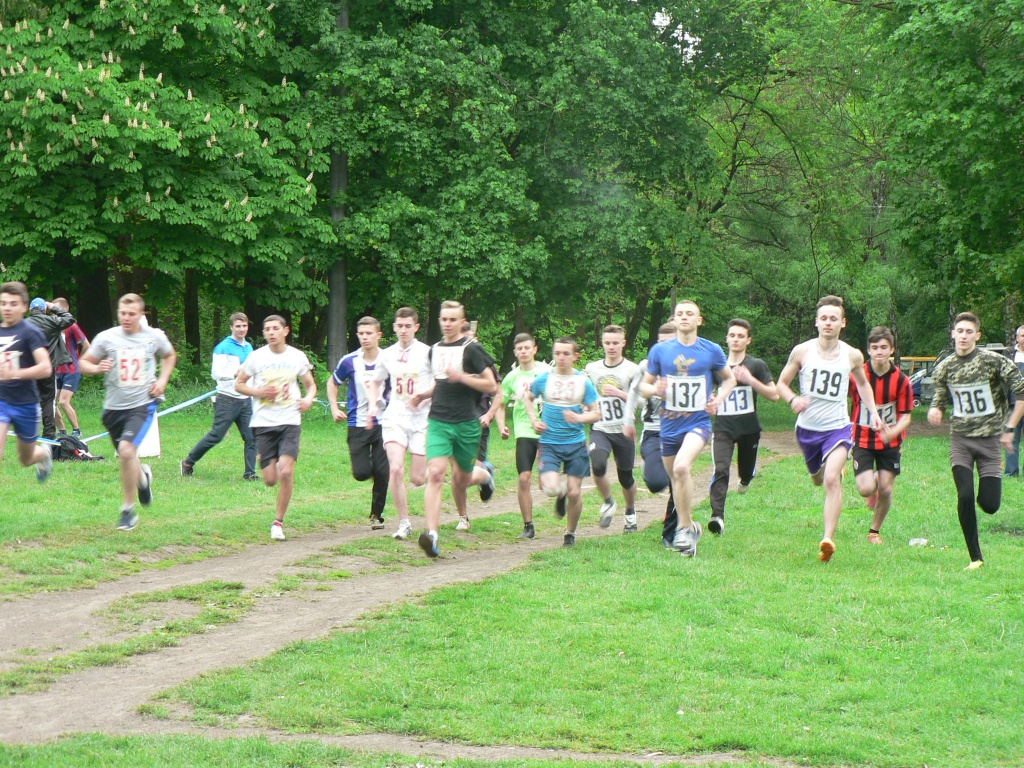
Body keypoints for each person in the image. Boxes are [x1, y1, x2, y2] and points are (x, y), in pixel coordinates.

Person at [775, 295, 881, 563]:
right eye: (823, 318)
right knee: (818, 478)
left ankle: (827, 539)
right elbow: (781, 384)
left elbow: (863, 384)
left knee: (832, 480)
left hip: (838, 428)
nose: (828, 323)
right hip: (807, 430)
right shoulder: (802, 351)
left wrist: (873, 412)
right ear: (816, 322)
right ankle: (826, 469)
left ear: (843, 323)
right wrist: (793, 399)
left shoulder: (852, 355)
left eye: (834, 318)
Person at [928, 312, 1024, 569]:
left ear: (977, 336)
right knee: (965, 494)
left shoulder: (994, 361)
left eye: (969, 332)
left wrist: (1010, 426)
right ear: (953, 334)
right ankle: (975, 557)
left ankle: (988, 495)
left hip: (990, 441)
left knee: (990, 505)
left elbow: (1021, 391)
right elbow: (940, 396)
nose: (963, 336)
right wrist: (936, 409)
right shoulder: (945, 367)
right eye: (959, 331)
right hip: (961, 440)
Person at [640, 301, 734, 557]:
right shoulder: (660, 351)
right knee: (675, 480)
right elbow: (644, 386)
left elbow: (729, 379)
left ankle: (682, 529)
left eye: (689, 314)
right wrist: (655, 389)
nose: (684, 317)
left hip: (698, 424)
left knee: (682, 468)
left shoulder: (711, 350)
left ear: (698, 320)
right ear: (674, 319)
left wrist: (718, 399)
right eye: (679, 313)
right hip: (669, 425)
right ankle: (691, 528)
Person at [79, 293, 177, 531]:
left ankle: (127, 510)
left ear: (141, 314)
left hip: (143, 403)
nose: (127, 318)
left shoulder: (153, 336)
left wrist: (162, 380)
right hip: (113, 408)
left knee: (125, 450)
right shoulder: (107, 338)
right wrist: (96, 368)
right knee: (128, 456)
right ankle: (143, 479)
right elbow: (83, 363)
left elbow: (169, 355)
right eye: (122, 313)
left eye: (132, 314)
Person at [409, 301, 497, 558]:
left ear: (462, 322)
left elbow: (491, 384)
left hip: (467, 424)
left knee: (462, 479)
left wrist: (462, 377)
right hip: (439, 422)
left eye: (452, 319)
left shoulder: (472, 349)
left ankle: (485, 475)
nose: (447, 324)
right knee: (435, 474)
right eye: (444, 319)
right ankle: (432, 535)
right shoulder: (434, 350)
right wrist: (423, 395)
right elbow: (441, 383)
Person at [234, 315, 316, 541]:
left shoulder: (296, 356)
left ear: (285, 331)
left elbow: (310, 385)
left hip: (290, 420)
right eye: (267, 329)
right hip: (264, 423)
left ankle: (278, 522)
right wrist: (259, 392)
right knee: (270, 479)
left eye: (275, 328)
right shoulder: (256, 357)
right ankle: (271, 462)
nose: (271, 332)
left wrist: (308, 399)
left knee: (287, 472)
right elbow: (239, 384)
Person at [525, 337, 600, 546]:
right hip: (549, 443)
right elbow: (528, 398)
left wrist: (579, 418)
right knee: (550, 489)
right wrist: (534, 420)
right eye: (557, 353)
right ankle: (561, 492)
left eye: (566, 354)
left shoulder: (582, 382)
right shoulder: (544, 378)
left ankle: (570, 534)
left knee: (575, 492)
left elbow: (596, 413)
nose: (561, 357)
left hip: (575, 443)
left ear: (575, 356)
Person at [707, 319, 779, 535]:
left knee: (744, 473)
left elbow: (774, 395)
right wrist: (710, 398)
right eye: (732, 335)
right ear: (727, 339)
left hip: (749, 429)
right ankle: (717, 517)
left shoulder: (756, 365)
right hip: (723, 428)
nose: (736, 339)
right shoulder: (718, 367)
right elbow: (708, 391)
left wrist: (750, 380)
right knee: (721, 469)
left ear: (748, 340)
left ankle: (747, 476)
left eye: (741, 336)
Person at [367, 307, 432, 540]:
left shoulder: (427, 353)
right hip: (395, 417)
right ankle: (404, 522)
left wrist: (423, 396)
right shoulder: (387, 354)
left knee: (417, 478)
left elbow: (440, 382)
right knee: (395, 468)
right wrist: (373, 404)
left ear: (416, 327)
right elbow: (376, 382)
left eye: (408, 326)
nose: (403, 330)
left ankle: (436, 471)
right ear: (394, 327)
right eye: (400, 326)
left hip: (421, 419)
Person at [850, 326, 914, 544]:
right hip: (862, 440)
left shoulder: (902, 380)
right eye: (875, 347)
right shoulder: (857, 376)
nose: (879, 352)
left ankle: (874, 531)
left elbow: (906, 416)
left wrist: (892, 432)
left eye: (884, 347)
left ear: (892, 350)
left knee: (886, 489)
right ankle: (872, 483)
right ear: (868, 350)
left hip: (890, 443)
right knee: (865, 488)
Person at [328, 316, 389, 530]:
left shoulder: (388, 359)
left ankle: (376, 515)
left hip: (384, 422)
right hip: (357, 422)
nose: (365, 337)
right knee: (361, 473)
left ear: (379, 335)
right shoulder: (349, 361)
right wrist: (334, 408)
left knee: (382, 472)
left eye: (369, 333)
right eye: (361, 333)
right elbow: (332, 383)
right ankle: (376, 467)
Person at [180, 312, 258, 481]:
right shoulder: (223, 347)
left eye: (244, 326)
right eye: (238, 326)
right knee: (217, 435)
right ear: (231, 327)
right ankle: (188, 462)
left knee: (251, 437)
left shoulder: (249, 347)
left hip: (246, 400)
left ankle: (250, 474)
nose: (242, 329)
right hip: (227, 399)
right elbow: (216, 374)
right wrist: (235, 374)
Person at [586, 325, 644, 532]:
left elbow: (642, 402)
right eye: (607, 343)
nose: (611, 347)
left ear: (623, 343)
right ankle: (608, 501)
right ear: (602, 344)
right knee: (598, 465)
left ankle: (630, 511)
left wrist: (620, 393)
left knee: (625, 478)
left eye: (615, 343)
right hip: (600, 427)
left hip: (623, 429)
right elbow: (585, 393)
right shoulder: (592, 369)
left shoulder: (633, 369)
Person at [624, 323, 678, 546]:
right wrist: (629, 421)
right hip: (653, 432)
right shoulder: (646, 366)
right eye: (661, 343)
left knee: (678, 480)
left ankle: (671, 534)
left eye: (671, 343)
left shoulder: (690, 367)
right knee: (656, 483)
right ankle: (653, 464)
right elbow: (633, 394)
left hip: (681, 430)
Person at [0, 281, 55, 483]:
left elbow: (45, 368)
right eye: (3, 303)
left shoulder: (31, 333)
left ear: (24, 307)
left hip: (26, 404)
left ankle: (44, 454)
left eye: (13, 304)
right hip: (1, 401)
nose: (7, 308)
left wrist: (15, 373)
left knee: (26, 458)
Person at [500, 333, 551, 539]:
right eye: (520, 349)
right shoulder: (512, 377)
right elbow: (500, 403)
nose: (523, 352)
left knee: (547, 483)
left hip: (547, 430)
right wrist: (502, 425)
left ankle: (561, 494)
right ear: (515, 352)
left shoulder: (547, 371)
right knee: (524, 478)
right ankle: (528, 525)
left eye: (527, 348)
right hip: (523, 431)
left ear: (534, 350)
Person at [24, 297, 75, 440]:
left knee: (28, 399)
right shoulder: (52, 321)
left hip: (29, 369)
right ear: (45, 310)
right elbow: (70, 319)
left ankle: (27, 432)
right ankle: (48, 435)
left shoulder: (24, 324)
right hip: (47, 368)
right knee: (48, 401)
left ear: (30, 310)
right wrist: (53, 307)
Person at [51, 297, 89, 438]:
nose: (55, 314)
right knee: (51, 402)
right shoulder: (53, 328)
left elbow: (86, 345)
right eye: (53, 311)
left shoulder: (72, 326)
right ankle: (62, 431)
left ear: (65, 310)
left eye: (58, 310)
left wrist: (79, 361)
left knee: (63, 401)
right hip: (57, 370)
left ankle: (77, 430)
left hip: (71, 370)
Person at [1001, 324, 1024, 477]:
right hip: (1013, 403)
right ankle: (1011, 472)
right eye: (1023, 336)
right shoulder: (1008, 353)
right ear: (1017, 338)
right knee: (1011, 438)